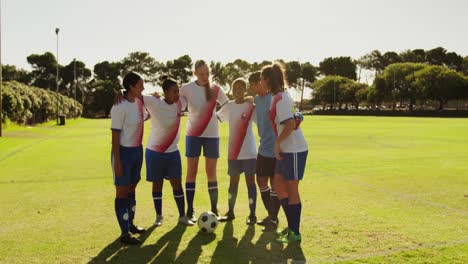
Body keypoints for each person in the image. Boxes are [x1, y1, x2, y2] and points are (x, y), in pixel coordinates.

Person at [261, 63, 308, 243]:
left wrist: (278, 143)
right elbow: (297, 118)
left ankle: (295, 233)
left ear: (267, 80)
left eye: (261, 79)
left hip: (294, 150)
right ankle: (292, 227)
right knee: (279, 187)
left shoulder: (281, 98)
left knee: (291, 189)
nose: (261, 82)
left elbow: (290, 124)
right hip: (286, 151)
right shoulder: (280, 97)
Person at [180, 60, 229, 221]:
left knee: (211, 172)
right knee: (191, 172)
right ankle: (190, 210)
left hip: (212, 136)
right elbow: (179, 105)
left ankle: (214, 209)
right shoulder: (186, 88)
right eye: (201, 74)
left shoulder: (216, 89)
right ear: (194, 73)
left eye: (207, 73)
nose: (205, 77)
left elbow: (228, 105)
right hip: (193, 135)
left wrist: (218, 117)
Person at [143, 77, 194, 227]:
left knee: (177, 184)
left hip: (172, 153)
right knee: (157, 185)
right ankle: (159, 216)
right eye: (174, 91)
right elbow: (135, 95)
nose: (177, 94)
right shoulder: (154, 102)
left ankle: (182, 216)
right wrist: (122, 92)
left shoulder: (180, 103)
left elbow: (192, 93)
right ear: (165, 92)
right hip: (154, 152)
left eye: (178, 90)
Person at [110, 72, 147, 245]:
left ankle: (130, 224)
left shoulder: (139, 102)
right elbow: (115, 136)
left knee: (132, 189)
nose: (143, 88)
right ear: (131, 87)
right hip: (123, 153)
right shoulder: (119, 106)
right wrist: (117, 161)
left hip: (137, 151)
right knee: (122, 192)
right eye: (140, 85)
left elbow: (147, 116)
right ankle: (124, 233)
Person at [217, 78, 258, 225]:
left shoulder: (250, 106)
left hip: (249, 152)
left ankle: (252, 214)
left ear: (245, 89)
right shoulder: (229, 107)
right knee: (233, 183)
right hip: (233, 152)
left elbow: (261, 122)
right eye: (235, 88)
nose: (237, 91)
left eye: (240, 88)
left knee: (250, 183)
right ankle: (230, 212)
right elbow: (216, 118)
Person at [248, 71, 282, 231]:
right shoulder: (256, 99)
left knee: (275, 185)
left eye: (253, 84)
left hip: (276, 149)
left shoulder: (273, 98)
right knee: (261, 180)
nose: (251, 87)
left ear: (260, 83)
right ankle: (272, 215)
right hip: (263, 149)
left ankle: (273, 219)